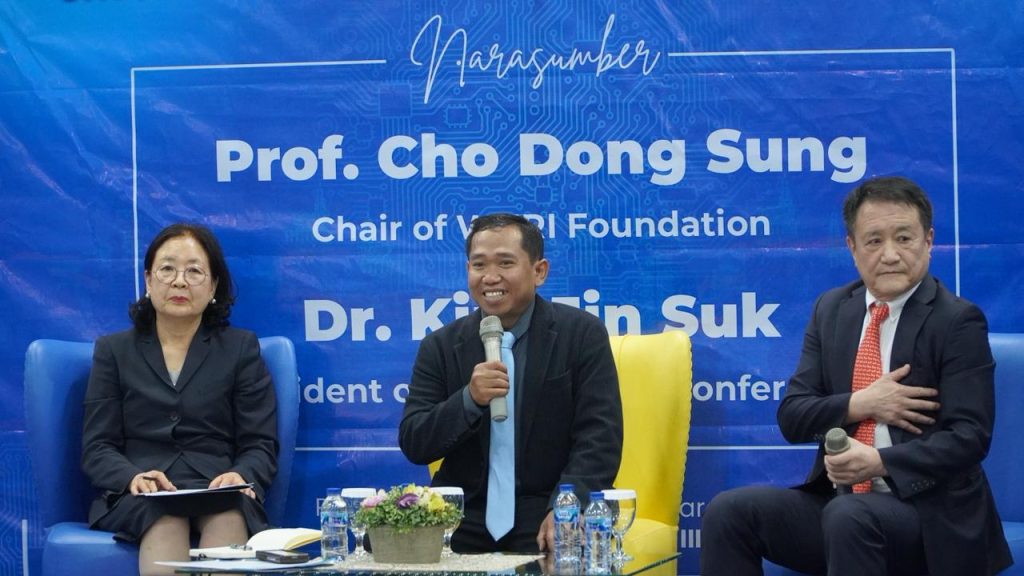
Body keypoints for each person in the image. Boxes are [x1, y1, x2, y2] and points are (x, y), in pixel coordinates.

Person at [700, 176, 1013, 576]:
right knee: (729, 512)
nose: (890, 254)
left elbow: (969, 437)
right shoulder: (832, 310)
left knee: (848, 516)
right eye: (874, 241)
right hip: (842, 509)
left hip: (930, 519)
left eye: (904, 238)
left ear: (929, 241)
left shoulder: (956, 321)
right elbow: (793, 416)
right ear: (852, 247)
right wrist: (860, 403)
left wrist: (879, 462)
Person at [399, 213, 623, 553]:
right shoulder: (440, 346)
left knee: (569, 545)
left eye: (505, 263)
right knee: (380, 545)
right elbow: (415, 442)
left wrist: (566, 506)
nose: (490, 277)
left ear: (539, 271)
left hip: (546, 504)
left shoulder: (581, 334)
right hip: (464, 512)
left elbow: (600, 437)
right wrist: (469, 399)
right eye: (479, 265)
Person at [82, 223, 278, 576]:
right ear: (148, 280)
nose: (179, 282)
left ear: (213, 286)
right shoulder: (114, 351)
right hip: (141, 494)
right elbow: (97, 447)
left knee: (228, 515)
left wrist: (241, 474)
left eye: (194, 271)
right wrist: (132, 477)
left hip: (217, 487)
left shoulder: (240, 349)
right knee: (165, 518)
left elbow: (260, 443)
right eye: (167, 269)